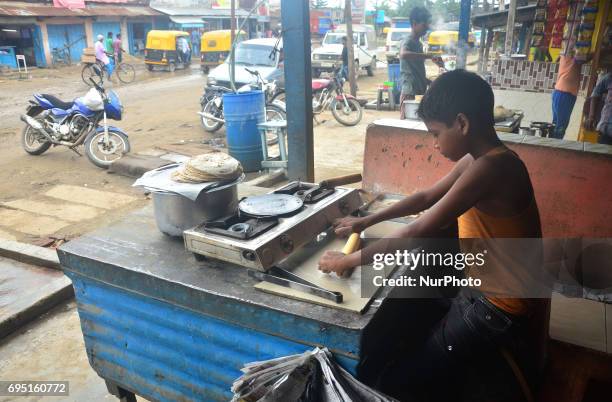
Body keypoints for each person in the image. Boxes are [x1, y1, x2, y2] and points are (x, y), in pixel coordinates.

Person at [318, 70, 545, 400]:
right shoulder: (480, 159)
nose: (434, 144)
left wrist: (348, 259)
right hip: (480, 288)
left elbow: (420, 227)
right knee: (412, 320)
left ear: (462, 123)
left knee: (399, 382)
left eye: (436, 133)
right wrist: (364, 223)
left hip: (495, 306)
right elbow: (425, 197)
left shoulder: (491, 169)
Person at [399, 7, 442, 119]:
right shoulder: (408, 40)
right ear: (414, 23)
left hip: (419, 91)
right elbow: (403, 54)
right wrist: (429, 56)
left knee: (417, 125)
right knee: (406, 126)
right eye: (424, 25)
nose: (427, 28)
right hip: (409, 92)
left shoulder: (418, 44)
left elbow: (416, 70)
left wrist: (429, 82)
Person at [551, 54, 585, 139]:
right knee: (560, 126)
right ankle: (555, 148)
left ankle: (553, 146)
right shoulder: (574, 54)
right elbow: (585, 57)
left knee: (557, 124)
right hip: (565, 93)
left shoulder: (565, 53)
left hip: (561, 92)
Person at [586, 69, 612, 145]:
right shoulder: (609, 78)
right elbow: (595, 94)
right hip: (606, 127)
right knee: (602, 154)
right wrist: (591, 116)